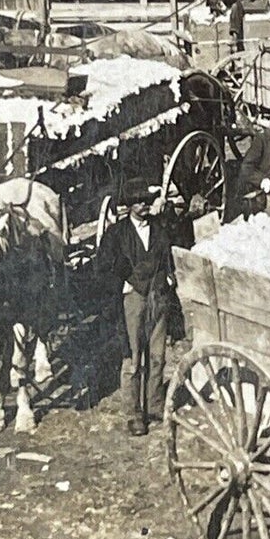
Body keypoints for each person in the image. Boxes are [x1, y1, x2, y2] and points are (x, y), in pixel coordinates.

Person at [97, 184, 178, 436]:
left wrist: (169, 278)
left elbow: (167, 258)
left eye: (147, 200)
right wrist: (123, 285)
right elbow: (103, 265)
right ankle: (133, 413)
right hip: (133, 298)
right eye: (138, 201)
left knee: (157, 355)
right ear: (129, 206)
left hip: (158, 296)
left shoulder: (159, 229)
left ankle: (154, 405)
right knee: (133, 358)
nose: (144, 205)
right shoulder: (117, 233)